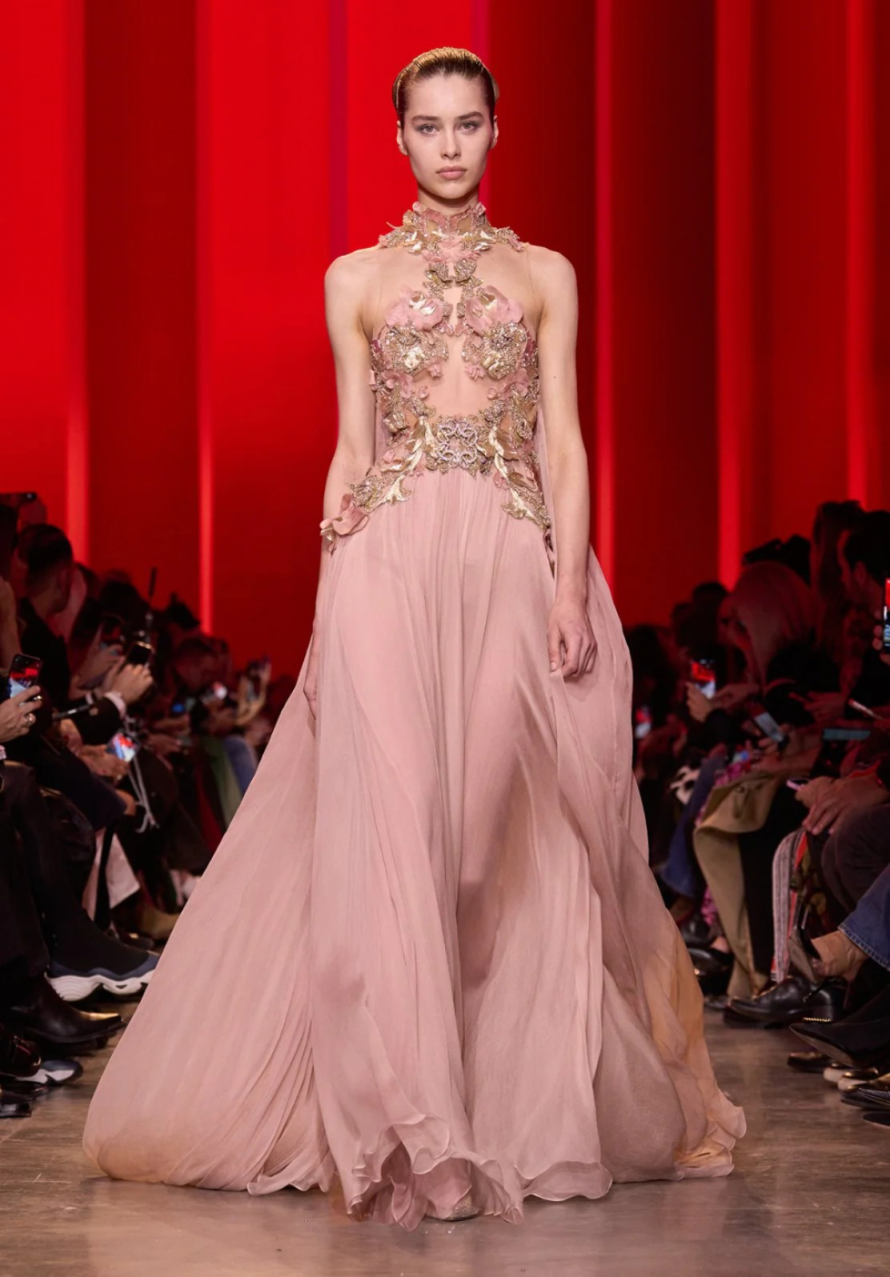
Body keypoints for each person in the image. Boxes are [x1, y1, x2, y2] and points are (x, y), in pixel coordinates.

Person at [83, 46, 744, 1229]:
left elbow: (564, 440)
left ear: (495, 131)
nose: (448, 144)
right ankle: (404, 1124)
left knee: (478, 855)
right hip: (385, 562)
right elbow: (352, 445)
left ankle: (482, 1091)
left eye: (467, 123)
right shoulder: (352, 277)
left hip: (506, 559)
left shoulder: (544, 273)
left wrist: (565, 584)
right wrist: (327, 590)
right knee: (392, 837)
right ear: (397, 138)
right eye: (428, 125)